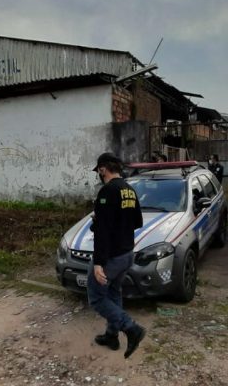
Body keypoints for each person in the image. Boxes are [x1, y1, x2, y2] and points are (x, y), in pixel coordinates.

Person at [89, 152, 146, 358]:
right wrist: (109, 222)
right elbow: (137, 222)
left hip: (111, 257)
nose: (99, 174)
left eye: (99, 171)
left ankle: (131, 328)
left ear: (103, 169)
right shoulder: (129, 190)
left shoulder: (107, 191)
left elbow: (103, 231)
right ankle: (111, 336)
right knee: (114, 294)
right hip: (127, 254)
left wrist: (98, 263)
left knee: (97, 298)